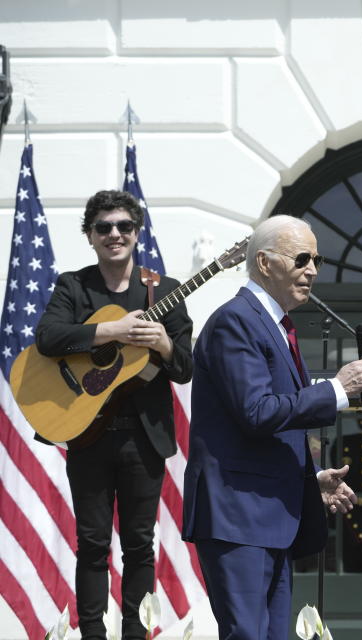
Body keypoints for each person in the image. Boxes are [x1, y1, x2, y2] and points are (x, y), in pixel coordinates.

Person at [181, 215, 362, 640]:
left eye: (317, 260)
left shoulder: (275, 324)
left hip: (270, 515)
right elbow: (257, 412)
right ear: (266, 263)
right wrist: (336, 389)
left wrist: (311, 480)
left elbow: (275, 427)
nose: (312, 270)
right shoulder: (236, 320)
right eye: (302, 258)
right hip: (238, 516)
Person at [35, 190, 194, 639]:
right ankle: (91, 635)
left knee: (141, 546)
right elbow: (47, 337)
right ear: (90, 235)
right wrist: (112, 330)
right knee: (92, 545)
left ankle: (135, 634)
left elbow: (186, 367)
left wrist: (162, 343)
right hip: (88, 435)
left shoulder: (163, 291)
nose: (114, 234)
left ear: (137, 233)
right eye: (103, 227)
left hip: (144, 439)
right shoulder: (74, 285)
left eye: (124, 226)